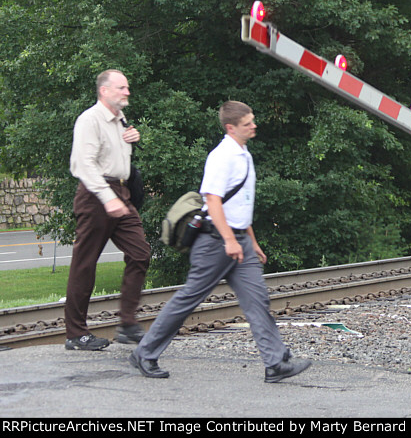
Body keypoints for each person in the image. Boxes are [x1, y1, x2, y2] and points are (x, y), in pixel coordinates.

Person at [129, 101, 311, 383]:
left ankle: (275, 364)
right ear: (231, 128)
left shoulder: (244, 154)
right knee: (189, 298)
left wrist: (251, 241)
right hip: (216, 242)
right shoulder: (222, 156)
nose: (254, 125)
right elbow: (212, 200)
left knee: (257, 300)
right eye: (247, 123)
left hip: (239, 241)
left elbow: (239, 203)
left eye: (252, 120)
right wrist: (229, 240)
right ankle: (145, 352)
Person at [66, 69, 151, 350]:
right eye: (122, 88)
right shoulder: (89, 120)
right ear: (104, 90)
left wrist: (132, 142)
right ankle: (76, 334)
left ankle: (127, 324)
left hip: (121, 193)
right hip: (96, 195)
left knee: (140, 253)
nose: (127, 92)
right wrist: (107, 197)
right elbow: (83, 165)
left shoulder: (119, 121)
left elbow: (114, 159)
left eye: (127, 88)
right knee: (85, 264)